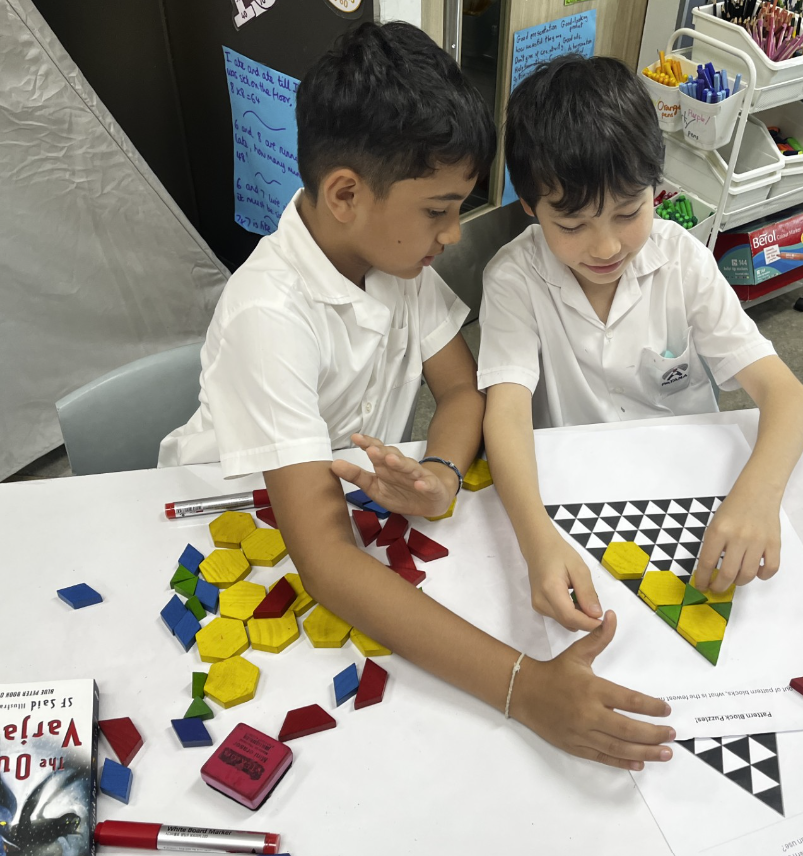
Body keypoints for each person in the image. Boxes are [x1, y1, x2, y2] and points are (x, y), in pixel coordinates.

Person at [159, 24, 674, 771]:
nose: (454, 235)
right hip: (232, 531)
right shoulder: (268, 316)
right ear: (346, 194)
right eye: (438, 210)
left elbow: (460, 390)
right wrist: (522, 687)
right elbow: (326, 564)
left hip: (344, 514)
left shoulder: (394, 262)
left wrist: (440, 471)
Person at [478, 55, 803, 635]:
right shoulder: (514, 279)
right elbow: (505, 414)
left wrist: (758, 496)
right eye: (572, 225)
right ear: (530, 206)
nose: (606, 247)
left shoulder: (682, 259)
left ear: (656, 187)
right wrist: (536, 541)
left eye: (629, 212)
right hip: (573, 496)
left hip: (690, 490)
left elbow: (789, 398)